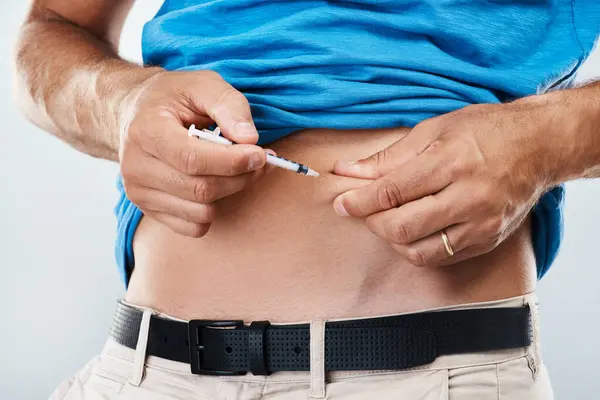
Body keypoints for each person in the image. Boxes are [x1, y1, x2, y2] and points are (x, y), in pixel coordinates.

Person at [13, 0, 600, 399]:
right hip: (157, 371)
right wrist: (120, 105)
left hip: (439, 377)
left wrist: (545, 141)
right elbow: (51, 27)